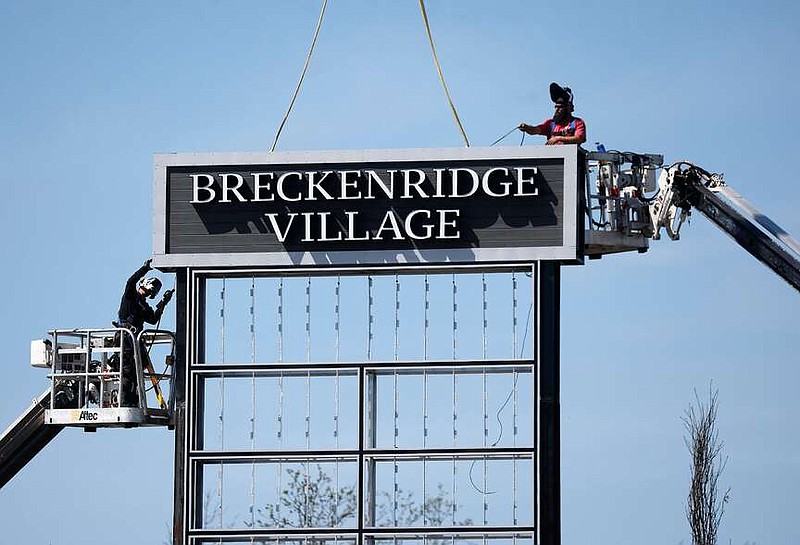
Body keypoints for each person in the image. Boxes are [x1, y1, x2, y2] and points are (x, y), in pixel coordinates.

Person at [115, 258, 173, 407]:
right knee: (128, 371)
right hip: (125, 338)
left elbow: (153, 319)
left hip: (135, 340)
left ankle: (133, 401)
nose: (150, 293)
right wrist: (145, 268)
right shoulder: (131, 296)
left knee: (135, 372)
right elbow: (130, 281)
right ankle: (126, 402)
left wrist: (162, 304)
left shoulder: (144, 306)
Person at [519, 82, 587, 146]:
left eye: (560, 107)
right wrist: (527, 127)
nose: (557, 110)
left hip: (571, 157)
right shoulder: (550, 123)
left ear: (569, 108)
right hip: (553, 156)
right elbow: (535, 130)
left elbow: (579, 138)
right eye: (556, 107)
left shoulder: (577, 122)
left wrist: (558, 138)